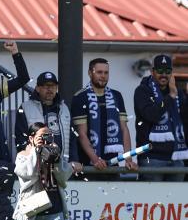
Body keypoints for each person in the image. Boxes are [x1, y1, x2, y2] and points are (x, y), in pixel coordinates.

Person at [72, 58, 137, 174]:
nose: (103, 76)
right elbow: (81, 133)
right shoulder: (80, 97)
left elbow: (124, 129)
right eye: (99, 72)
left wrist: (128, 159)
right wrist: (95, 159)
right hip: (89, 164)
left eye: (106, 73)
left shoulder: (116, 96)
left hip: (112, 163)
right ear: (90, 73)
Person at [14, 71, 81, 174]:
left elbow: (71, 137)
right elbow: (20, 138)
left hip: (63, 168)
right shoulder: (25, 107)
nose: (50, 89)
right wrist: (29, 159)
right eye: (46, 86)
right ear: (37, 88)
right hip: (36, 168)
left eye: (53, 86)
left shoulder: (64, 108)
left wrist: (74, 159)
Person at [133, 54, 187, 182]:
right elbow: (151, 115)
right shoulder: (143, 90)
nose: (164, 75)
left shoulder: (177, 93)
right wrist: (171, 96)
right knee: (151, 201)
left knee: (174, 201)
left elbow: (185, 121)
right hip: (151, 158)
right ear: (152, 71)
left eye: (167, 71)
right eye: (160, 71)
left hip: (176, 157)